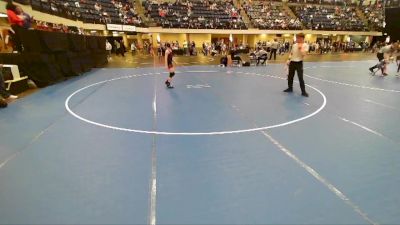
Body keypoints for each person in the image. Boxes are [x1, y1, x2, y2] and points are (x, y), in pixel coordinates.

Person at [283, 33, 309, 97]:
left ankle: (303, 92)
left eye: (298, 38)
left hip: (299, 63)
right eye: (296, 37)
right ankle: (290, 88)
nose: (296, 39)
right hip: (292, 62)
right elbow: (291, 53)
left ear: (302, 38)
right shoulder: (294, 45)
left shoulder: (305, 45)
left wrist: (300, 48)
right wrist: (288, 60)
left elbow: (304, 54)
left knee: (300, 78)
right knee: (290, 76)